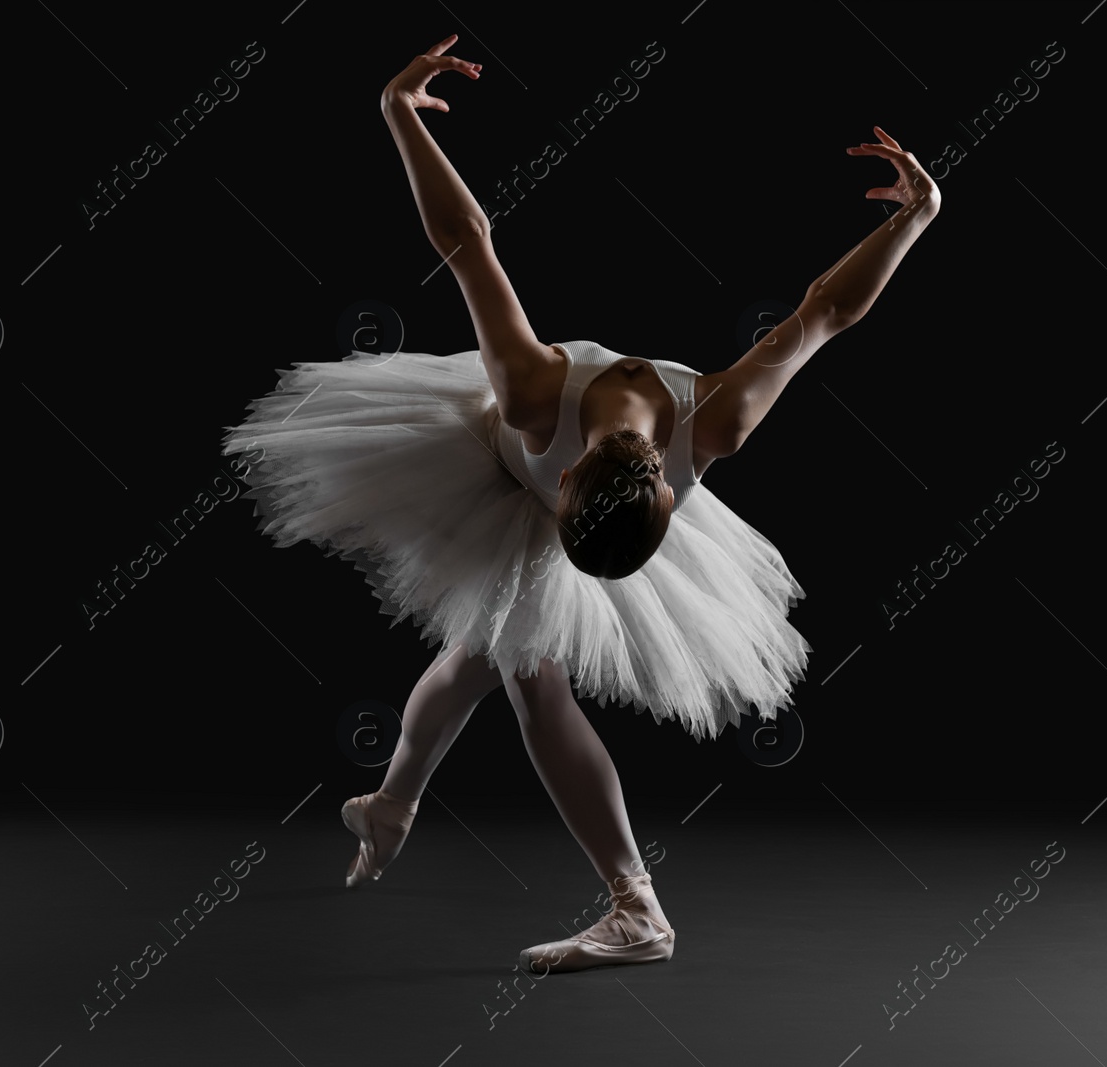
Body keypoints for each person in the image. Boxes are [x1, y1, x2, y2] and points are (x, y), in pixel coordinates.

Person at [222, 34, 941, 975]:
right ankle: (396, 803)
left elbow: (471, 245)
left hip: (530, 478)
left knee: (526, 672)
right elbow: (823, 313)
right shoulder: (648, 411)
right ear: (578, 485)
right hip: (480, 467)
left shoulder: (619, 409)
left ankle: (633, 905)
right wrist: (917, 218)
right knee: (488, 655)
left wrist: (398, 112)